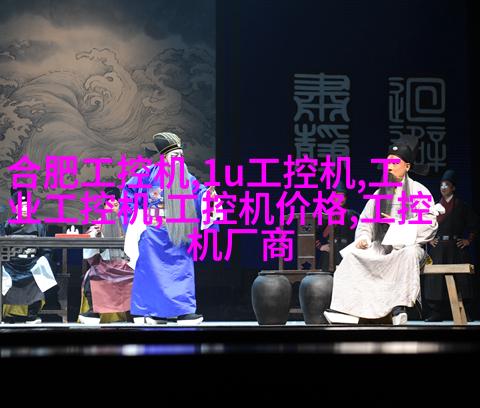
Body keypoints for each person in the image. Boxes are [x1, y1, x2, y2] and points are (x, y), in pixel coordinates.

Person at [324, 141, 442, 325]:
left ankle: (399, 307)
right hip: (382, 247)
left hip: (407, 247)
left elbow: (429, 225)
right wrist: (364, 238)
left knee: (409, 254)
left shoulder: (419, 191)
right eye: (388, 162)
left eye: (395, 162)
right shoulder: (379, 194)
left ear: (407, 166)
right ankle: (347, 309)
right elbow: (365, 222)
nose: (390, 166)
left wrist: (398, 225)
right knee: (352, 257)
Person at [122, 132, 221, 325]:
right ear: (164, 157)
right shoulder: (148, 174)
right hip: (153, 233)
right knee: (152, 273)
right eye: (175, 155)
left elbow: (200, 194)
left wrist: (208, 197)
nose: (179, 159)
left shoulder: (187, 178)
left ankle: (184, 311)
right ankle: (154, 312)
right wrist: (137, 220)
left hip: (179, 232)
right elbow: (129, 194)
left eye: (181, 155)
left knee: (182, 271)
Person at [423, 169, 479, 322]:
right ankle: (436, 312)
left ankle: (464, 311)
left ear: (453, 188)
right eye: (441, 185)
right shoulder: (435, 207)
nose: (443, 188)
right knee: (435, 280)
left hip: (456, 247)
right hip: (439, 247)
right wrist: (429, 239)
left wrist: (468, 240)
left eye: (446, 185)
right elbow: (425, 226)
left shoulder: (461, 205)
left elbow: (475, 224)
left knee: (462, 279)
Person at [78, 187, 134, 324]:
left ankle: (133, 314)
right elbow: (89, 253)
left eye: (116, 204)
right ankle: (93, 311)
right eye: (109, 204)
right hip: (105, 265)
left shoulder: (129, 224)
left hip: (127, 265)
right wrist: (95, 236)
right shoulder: (98, 225)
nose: (112, 207)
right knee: (92, 275)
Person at [1, 186, 57, 323]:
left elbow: (46, 249)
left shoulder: (39, 226)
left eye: (27, 206)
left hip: (32, 263)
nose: (24, 208)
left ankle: (32, 314)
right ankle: (8, 315)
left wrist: (43, 260)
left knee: (39, 273)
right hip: (11, 263)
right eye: (21, 206)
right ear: (15, 208)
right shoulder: (7, 225)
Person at [316, 181, 359, 272]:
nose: (341, 199)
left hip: (347, 252)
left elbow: (360, 233)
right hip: (330, 252)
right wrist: (320, 247)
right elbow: (313, 233)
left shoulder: (352, 215)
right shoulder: (325, 215)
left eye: (343, 196)